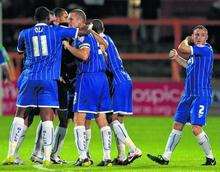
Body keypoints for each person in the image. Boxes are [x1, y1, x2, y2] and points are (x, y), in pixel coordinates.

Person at [2, 6, 79, 166]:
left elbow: (21, 52)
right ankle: (46, 157)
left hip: (29, 77)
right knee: (48, 116)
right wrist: (92, 28)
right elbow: (80, 32)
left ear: (35, 19)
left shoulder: (24, 33)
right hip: (48, 79)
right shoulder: (56, 31)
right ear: (48, 18)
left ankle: (10, 154)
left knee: (20, 114)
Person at [147, 25, 216, 166]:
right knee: (177, 124)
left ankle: (211, 158)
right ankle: (165, 157)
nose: (198, 37)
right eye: (196, 35)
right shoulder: (196, 54)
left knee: (196, 128)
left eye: (201, 35)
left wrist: (186, 39)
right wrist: (176, 58)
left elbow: (182, 47)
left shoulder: (205, 50)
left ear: (206, 38)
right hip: (188, 95)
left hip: (201, 94)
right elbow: (188, 65)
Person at [63, 9, 112, 167]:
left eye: (71, 19)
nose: (69, 22)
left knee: (79, 117)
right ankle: (107, 157)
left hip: (88, 78)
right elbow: (105, 44)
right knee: (101, 117)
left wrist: (68, 46)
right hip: (102, 80)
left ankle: (83, 157)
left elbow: (84, 55)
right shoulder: (92, 34)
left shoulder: (82, 35)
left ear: (80, 21)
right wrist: (91, 30)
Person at [91, 19, 142, 165]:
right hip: (124, 78)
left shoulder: (100, 42)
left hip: (117, 81)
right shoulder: (109, 38)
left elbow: (103, 60)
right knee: (118, 120)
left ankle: (133, 149)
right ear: (103, 28)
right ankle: (121, 156)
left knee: (112, 119)